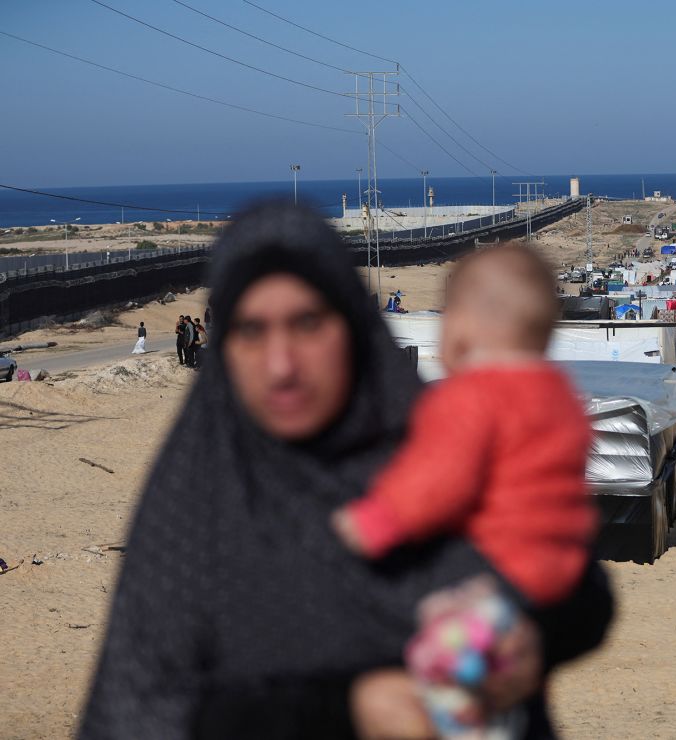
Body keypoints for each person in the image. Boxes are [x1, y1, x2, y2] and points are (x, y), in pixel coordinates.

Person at [79, 202, 613, 740]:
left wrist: (540, 634)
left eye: (307, 323)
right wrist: (350, 709)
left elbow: (577, 576)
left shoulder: (435, 433)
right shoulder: (195, 499)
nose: (282, 364)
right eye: (251, 330)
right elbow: (143, 702)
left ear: (353, 324)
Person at [333, 243, 596, 736]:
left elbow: (435, 484)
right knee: (497, 672)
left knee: (442, 670)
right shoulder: (560, 394)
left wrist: (371, 523)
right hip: (556, 572)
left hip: (495, 575)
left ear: (461, 328)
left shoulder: (470, 397)